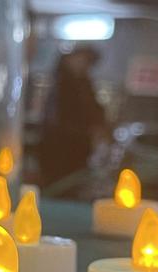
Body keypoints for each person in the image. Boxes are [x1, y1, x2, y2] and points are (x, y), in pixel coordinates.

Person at [39, 46, 107, 192]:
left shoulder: (83, 82)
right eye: (83, 60)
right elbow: (58, 117)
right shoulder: (62, 83)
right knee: (60, 186)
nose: (84, 65)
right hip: (60, 146)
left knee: (72, 186)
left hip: (78, 146)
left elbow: (94, 109)